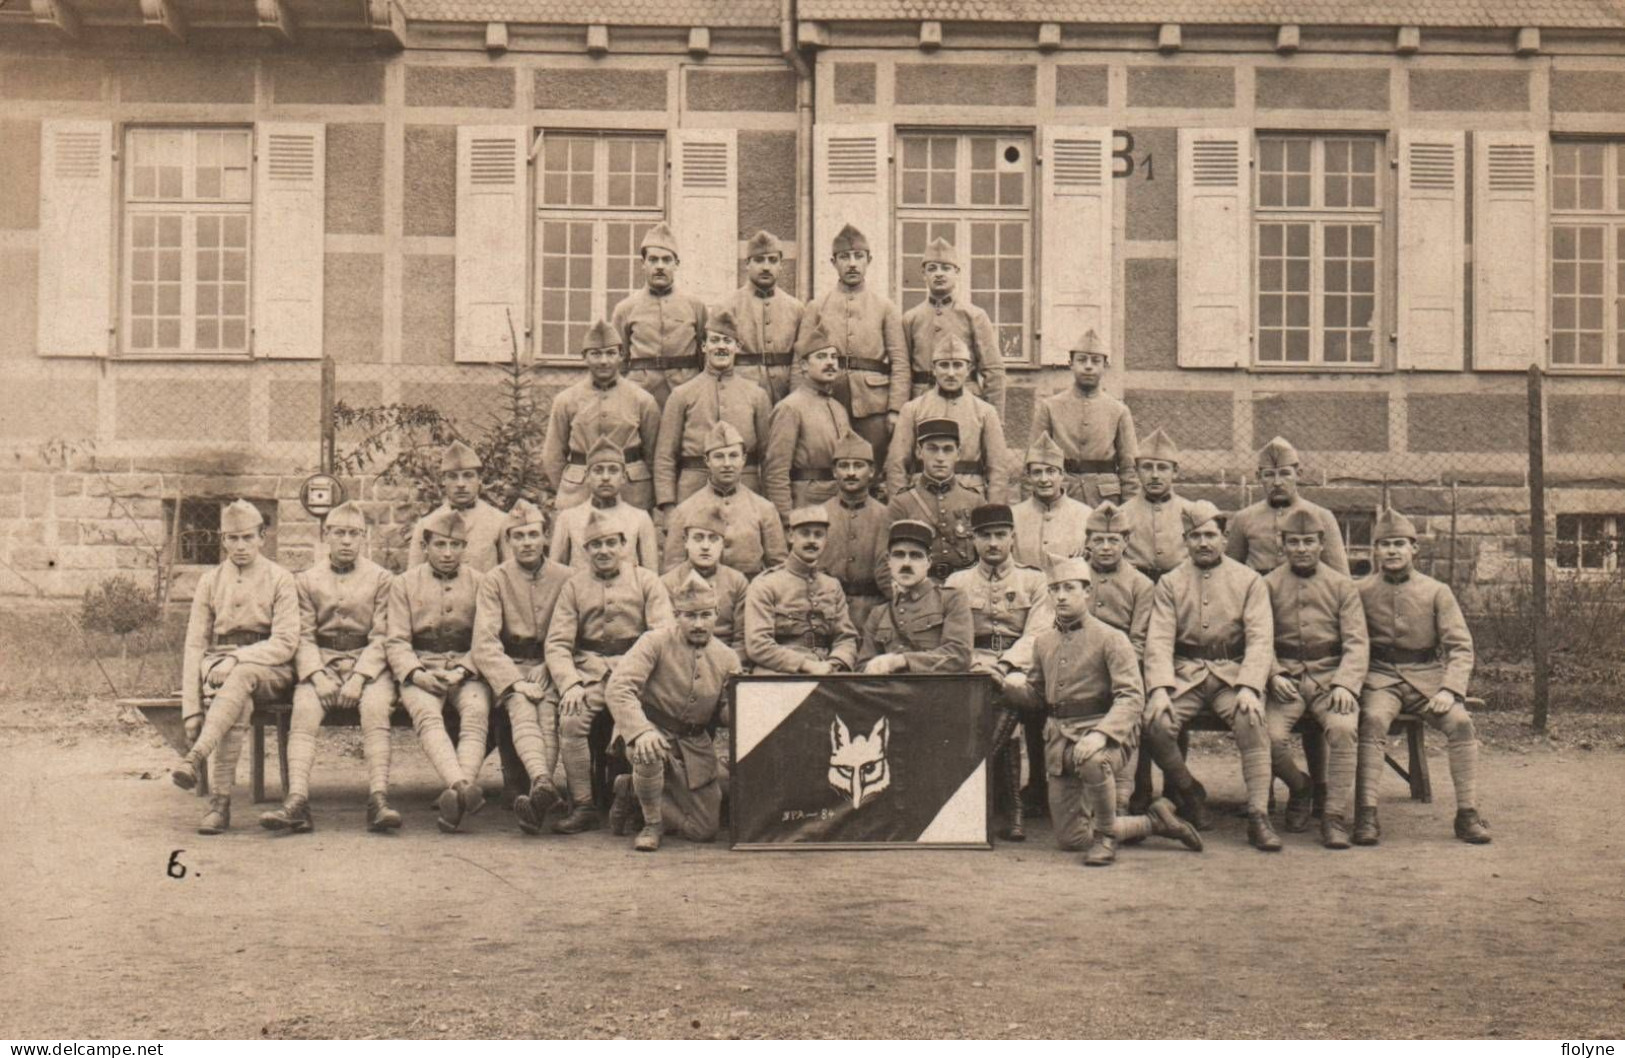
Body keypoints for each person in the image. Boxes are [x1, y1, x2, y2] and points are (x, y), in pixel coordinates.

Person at [1027, 553, 1204, 866]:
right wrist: (1014, 688)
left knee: (1094, 761)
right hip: (1060, 743)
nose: (1062, 595)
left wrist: (1100, 735)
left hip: (1109, 738)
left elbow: (1132, 697)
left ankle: (1107, 838)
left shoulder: (1111, 638)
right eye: (1055, 589)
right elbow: (1038, 693)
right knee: (1072, 840)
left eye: (1070, 587)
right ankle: (1154, 822)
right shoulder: (1043, 642)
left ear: (1087, 592)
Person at [1142, 500, 1280, 851]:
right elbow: (1158, 639)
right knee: (1155, 723)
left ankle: (1258, 816)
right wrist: (1159, 688)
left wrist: (1250, 686)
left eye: (1210, 535)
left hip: (1232, 674)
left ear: (1224, 537)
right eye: (1195, 536)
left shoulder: (1248, 580)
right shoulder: (1171, 583)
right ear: (1185, 540)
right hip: (1185, 675)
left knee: (1251, 718)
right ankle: (1190, 791)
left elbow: (1261, 638)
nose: (1203, 543)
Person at [262, 502, 399, 833]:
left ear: (363, 538)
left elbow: (384, 636)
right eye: (339, 533)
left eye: (354, 534)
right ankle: (297, 802)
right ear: (326, 536)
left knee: (377, 707)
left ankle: (378, 799)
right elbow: (303, 636)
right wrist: (317, 675)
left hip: (368, 664)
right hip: (321, 662)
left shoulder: (382, 579)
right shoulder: (307, 580)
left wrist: (361, 677)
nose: (347, 541)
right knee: (305, 709)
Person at [1354, 508, 1489, 846]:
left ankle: (1467, 814)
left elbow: (1460, 646)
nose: (1392, 551)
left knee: (1459, 723)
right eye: (1384, 544)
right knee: (1371, 720)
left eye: (1399, 544)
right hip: (1379, 677)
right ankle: (1366, 814)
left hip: (1427, 679)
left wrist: (1450, 688)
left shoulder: (1436, 591)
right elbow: (1350, 641)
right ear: (1375, 550)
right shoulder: (1361, 590)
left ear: (1414, 548)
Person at [171, 500, 299, 835]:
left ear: (262, 537)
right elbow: (195, 645)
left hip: (272, 667)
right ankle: (220, 806)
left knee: (239, 676)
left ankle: (198, 762)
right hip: (221, 667)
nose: (240, 546)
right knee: (237, 700)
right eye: (232, 539)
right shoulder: (210, 581)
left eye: (247, 537)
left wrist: (237, 659)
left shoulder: (281, 578)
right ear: (222, 540)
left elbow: (286, 642)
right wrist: (191, 710)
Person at [545, 509, 674, 834]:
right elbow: (558, 643)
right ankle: (583, 804)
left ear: (623, 545)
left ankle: (632, 801)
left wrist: (638, 672)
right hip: (589, 675)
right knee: (571, 720)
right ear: (586, 551)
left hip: (637, 675)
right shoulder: (574, 587)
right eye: (595, 545)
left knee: (632, 725)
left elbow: (663, 633)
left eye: (610, 543)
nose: (603, 550)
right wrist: (570, 683)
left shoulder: (646, 581)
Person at [604, 572, 742, 851]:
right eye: (690, 616)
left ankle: (631, 789)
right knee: (649, 752)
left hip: (693, 744)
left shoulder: (728, 658)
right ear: (677, 615)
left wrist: (745, 705)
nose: (699, 623)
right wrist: (641, 731)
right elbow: (618, 688)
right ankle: (652, 823)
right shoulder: (654, 642)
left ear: (717, 613)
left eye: (706, 615)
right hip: (650, 729)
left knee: (704, 830)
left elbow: (727, 714)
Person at [944, 503, 1054, 841]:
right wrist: (978, 665)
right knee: (991, 693)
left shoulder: (1034, 579)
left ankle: (984, 794)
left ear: (1012, 538)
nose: (993, 543)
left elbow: (1038, 633)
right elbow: (953, 635)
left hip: (1019, 665)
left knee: (1010, 690)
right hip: (972, 663)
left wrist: (1005, 665)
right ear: (973, 540)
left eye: (1000, 535)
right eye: (985, 536)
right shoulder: (957, 580)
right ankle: (1012, 806)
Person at [1263, 508, 1369, 849]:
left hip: (1329, 678)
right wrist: (1274, 672)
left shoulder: (1341, 585)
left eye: (1309, 541)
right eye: (1293, 542)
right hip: (1287, 680)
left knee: (1342, 729)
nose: (1302, 548)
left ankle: (1334, 816)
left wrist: (1346, 684)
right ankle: (1301, 787)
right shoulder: (1267, 584)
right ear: (1282, 545)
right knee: (1269, 737)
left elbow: (1356, 641)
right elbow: (1257, 638)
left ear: (1322, 544)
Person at [384, 509, 493, 834]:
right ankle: (462, 787)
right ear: (426, 545)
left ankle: (456, 795)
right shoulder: (404, 584)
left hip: (466, 669)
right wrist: (416, 674)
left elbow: (486, 638)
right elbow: (396, 640)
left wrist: (463, 670)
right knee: (427, 716)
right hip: (421, 668)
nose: (448, 553)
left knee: (476, 712)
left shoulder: (481, 583)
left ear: (465, 547)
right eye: (441, 544)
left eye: (456, 545)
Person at [470, 499, 573, 835]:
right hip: (510, 665)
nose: (526, 542)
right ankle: (543, 782)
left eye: (533, 534)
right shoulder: (495, 580)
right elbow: (484, 644)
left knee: (547, 704)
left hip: (552, 664)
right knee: (522, 703)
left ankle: (540, 785)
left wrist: (550, 666)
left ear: (545, 536)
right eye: (518, 536)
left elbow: (576, 632)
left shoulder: (567, 577)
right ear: (508, 541)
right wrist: (514, 681)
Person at [799, 223, 908, 476]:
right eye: (844, 257)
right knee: (829, 465)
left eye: (858, 256)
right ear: (833, 262)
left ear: (868, 260)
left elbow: (901, 362)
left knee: (872, 470)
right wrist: (802, 403)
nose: (852, 263)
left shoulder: (885, 307)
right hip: (828, 397)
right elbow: (800, 361)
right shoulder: (817, 306)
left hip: (874, 408)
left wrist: (894, 409)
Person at [654, 306, 772, 507]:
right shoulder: (682, 394)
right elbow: (665, 456)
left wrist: (769, 504)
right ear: (703, 346)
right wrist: (667, 505)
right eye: (715, 340)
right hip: (693, 490)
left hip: (746, 488)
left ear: (738, 346)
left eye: (728, 341)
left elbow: (769, 457)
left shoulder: (757, 395)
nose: (721, 346)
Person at [540, 319, 662, 512]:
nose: (604, 361)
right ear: (584, 357)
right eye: (596, 354)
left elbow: (654, 454)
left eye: (610, 353)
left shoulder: (642, 400)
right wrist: (569, 485)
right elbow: (553, 455)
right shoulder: (566, 400)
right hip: (580, 491)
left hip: (632, 492)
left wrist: (646, 489)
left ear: (621, 355)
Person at [886, 335, 1013, 503]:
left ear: (968, 369)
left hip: (970, 496)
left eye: (958, 365)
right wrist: (900, 507)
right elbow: (896, 466)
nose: (951, 373)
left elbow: (998, 469)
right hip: (922, 497)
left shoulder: (985, 412)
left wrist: (993, 511)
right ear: (933, 368)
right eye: (944, 365)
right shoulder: (913, 409)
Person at [742, 506, 859, 675]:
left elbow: (846, 638)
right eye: (805, 533)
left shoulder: (832, 586)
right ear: (791, 536)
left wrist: (835, 664)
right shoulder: (765, 584)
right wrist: (806, 665)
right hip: (780, 674)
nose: (812, 540)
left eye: (818, 535)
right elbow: (758, 645)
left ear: (826, 539)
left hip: (827, 672)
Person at [662, 421, 786, 577]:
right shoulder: (685, 510)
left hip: (752, 593)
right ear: (707, 461)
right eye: (719, 457)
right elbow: (672, 571)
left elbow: (779, 568)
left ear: (744, 459)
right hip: (702, 594)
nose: (727, 464)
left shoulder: (764, 508)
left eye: (733, 456)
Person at [1031, 329, 1139, 506]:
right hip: (1061, 496)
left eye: (1096, 361)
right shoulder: (1050, 407)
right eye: (1081, 360)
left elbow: (1129, 468)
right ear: (1070, 364)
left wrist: (1130, 510)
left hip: (1104, 499)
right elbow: (1033, 461)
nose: (1088, 366)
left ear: (1105, 366)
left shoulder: (1118, 410)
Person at [901, 236, 1005, 416]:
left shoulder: (975, 316)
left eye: (946, 268)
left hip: (966, 401)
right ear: (923, 274)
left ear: (957, 272)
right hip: (922, 401)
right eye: (932, 268)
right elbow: (902, 371)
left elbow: (993, 371)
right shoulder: (911, 318)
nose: (939, 274)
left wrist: (994, 419)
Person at [611, 223, 707, 409]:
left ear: (676, 264)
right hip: (641, 393)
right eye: (653, 260)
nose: (660, 266)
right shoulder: (626, 308)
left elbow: (705, 356)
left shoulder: (695, 306)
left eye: (666, 260)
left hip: (686, 392)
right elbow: (618, 360)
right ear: (643, 264)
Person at [762, 322, 853, 519]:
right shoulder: (790, 408)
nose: (830, 363)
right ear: (803, 365)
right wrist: (786, 520)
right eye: (821, 357)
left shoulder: (839, 409)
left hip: (838, 504)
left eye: (833, 357)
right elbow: (776, 472)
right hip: (805, 506)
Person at [858, 520, 974, 674]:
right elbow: (862, 667)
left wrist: (902, 661)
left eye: (915, 556)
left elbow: (959, 656)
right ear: (889, 562)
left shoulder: (951, 600)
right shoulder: (879, 614)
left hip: (934, 692)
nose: (906, 563)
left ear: (928, 562)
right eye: (899, 555)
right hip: (887, 693)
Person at [1227, 436, 1349, 577]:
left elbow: (1341, 577)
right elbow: (1231, 572)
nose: (1277, 482)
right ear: (1258, 477)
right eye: (1269, 475)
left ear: (1298, 474)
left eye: (1285, 474)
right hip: (1259, 594)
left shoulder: (1322, 516)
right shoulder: (1244, 519)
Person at [885, 418, 981, 581]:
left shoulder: (974, 501)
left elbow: (984, 559)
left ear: (958, 453)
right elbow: (886, 563)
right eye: (932, 449)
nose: (940, 457)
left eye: (947, 449)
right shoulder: (902, 503)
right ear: (919, 452)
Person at [549, 434, 659, 572]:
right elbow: (554, 572)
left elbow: (652, 575)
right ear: (587, 476)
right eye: (598, 470)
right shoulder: (568, 518)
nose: (605, 477)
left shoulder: (640, 518)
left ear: (623, 477)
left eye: (613, 470)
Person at [817, 430, 892, 633]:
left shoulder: (885, 515)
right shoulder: (819, 514)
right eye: (843, 466)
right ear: (834, 472)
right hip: (828, 612)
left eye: (858, 466)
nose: (850, 473)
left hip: (873, 612)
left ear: (872, 471)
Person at [724, 230, 805, 405]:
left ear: (781, 265)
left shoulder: (796, 308)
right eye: (759, 260)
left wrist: (795, 400)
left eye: (773, 260)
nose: (766, 267)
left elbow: (800, 360)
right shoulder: (729, 307)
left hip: (784, 396)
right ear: (747, 264)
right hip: (741, 396)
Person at [407, 440, 510, 571]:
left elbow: (510, 575)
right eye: (453, 477)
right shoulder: (426, 524)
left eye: (468, 476)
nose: (461, 484)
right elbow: (413, 580)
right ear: (443, 481)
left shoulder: (500, 521)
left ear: (480, 480)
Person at [659, 505, 749, 651]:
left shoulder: (737, 581)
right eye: (698, 538)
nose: (705, 546)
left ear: (722, 544)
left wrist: (733, 667)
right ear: (686, 542)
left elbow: (741, 638)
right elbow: (666, 637)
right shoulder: (667, 583)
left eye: (713, 539)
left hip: (725, 659)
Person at [1119, 427, 1194, 583]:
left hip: (1180, 586)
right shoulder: (1122, 513)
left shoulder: (1191, 512)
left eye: (1162, 468)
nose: (1154, 475)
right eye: (1147, 467)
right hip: (1135, 587)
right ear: (1136, 470)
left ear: (1175, 471)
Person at [1011, 431, 1091, 567]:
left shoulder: (1086, 515)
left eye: (1051, 471)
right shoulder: (1013, 516)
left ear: (1062, 475)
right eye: (1037, 472)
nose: (1044, 479)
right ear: (1029, 477)